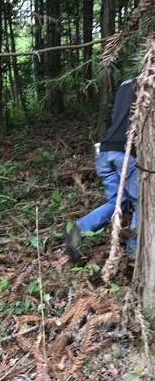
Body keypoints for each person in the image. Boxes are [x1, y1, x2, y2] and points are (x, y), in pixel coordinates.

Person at [65, 77, 138, 263]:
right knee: (141, 203)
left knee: (119, 203)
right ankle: (134, 256)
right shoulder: (149, 81)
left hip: (105, 150)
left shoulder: (124, 84)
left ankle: (80, 228)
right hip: (126, 151)